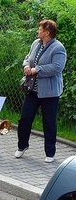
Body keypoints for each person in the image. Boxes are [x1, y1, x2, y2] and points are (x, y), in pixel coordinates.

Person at [16, 19, 66, 164]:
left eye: (40, 30)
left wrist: (37, 70)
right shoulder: (35, 43)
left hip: (49, 93)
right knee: (24, 118)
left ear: (47, 33)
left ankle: (50, 152)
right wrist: (26, 66)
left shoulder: (58, 48)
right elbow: (27, 58)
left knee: (49, 122)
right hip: (33, 89)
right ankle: (22, 146)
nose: (38, 31)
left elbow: (57, 67)